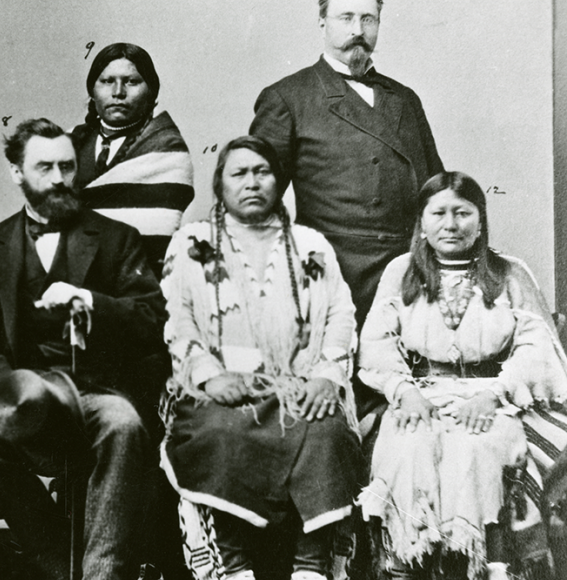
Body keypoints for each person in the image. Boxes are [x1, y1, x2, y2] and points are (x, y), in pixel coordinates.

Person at [0, 118, 166, 580]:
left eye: (67, 166)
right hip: (17, 392)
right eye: (44, 167)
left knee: (123, 425)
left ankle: (101, 573)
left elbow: (150, 320)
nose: (58, 179)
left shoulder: (116, 239)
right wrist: (10, 397)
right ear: (16, 172)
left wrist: (91, 301)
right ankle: (58, 563)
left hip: (93, 392)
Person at [159, 136, 362, 580]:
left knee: (326, 431)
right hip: (221, 386)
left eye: (262, 172)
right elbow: (176, 317)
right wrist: (209, 376)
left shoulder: (310, 243)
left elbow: (340, 314)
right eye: (239, 173)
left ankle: (312, 567)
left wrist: (327, 376)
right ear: (220, 184)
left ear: (279, 181)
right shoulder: (191, 242)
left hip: (297, 385)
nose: (252, 182)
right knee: (219, 431)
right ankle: (232, 567)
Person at [357, 171, 567, 580]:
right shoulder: (402, 271)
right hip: (422, 393)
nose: (450, 224)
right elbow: (377, 342)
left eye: (462, 213)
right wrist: (403, 391)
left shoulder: (509, 273)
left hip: (491, 397)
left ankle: (482, 564)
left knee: (476, 446)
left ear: (480, 220)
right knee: (408, 445)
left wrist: (496, 394)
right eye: (439, 213)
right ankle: (407, 561)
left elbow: (537, 345)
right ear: (422, 222)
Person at [248, 0, 443, 353]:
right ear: (322, 21)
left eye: (368, 19)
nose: (358, 30)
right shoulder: (288, 97)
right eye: (346, 17)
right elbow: (255, 198)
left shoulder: (405, 99)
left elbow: (437, 190)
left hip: (406, 274)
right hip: (333, 274)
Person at [71, 42, 194, 278]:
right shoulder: (68, 144)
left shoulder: (166, 149)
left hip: (140, 282)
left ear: (151, 92)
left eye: (131, 81)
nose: (118, 92)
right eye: (107, 81)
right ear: (92, 91)